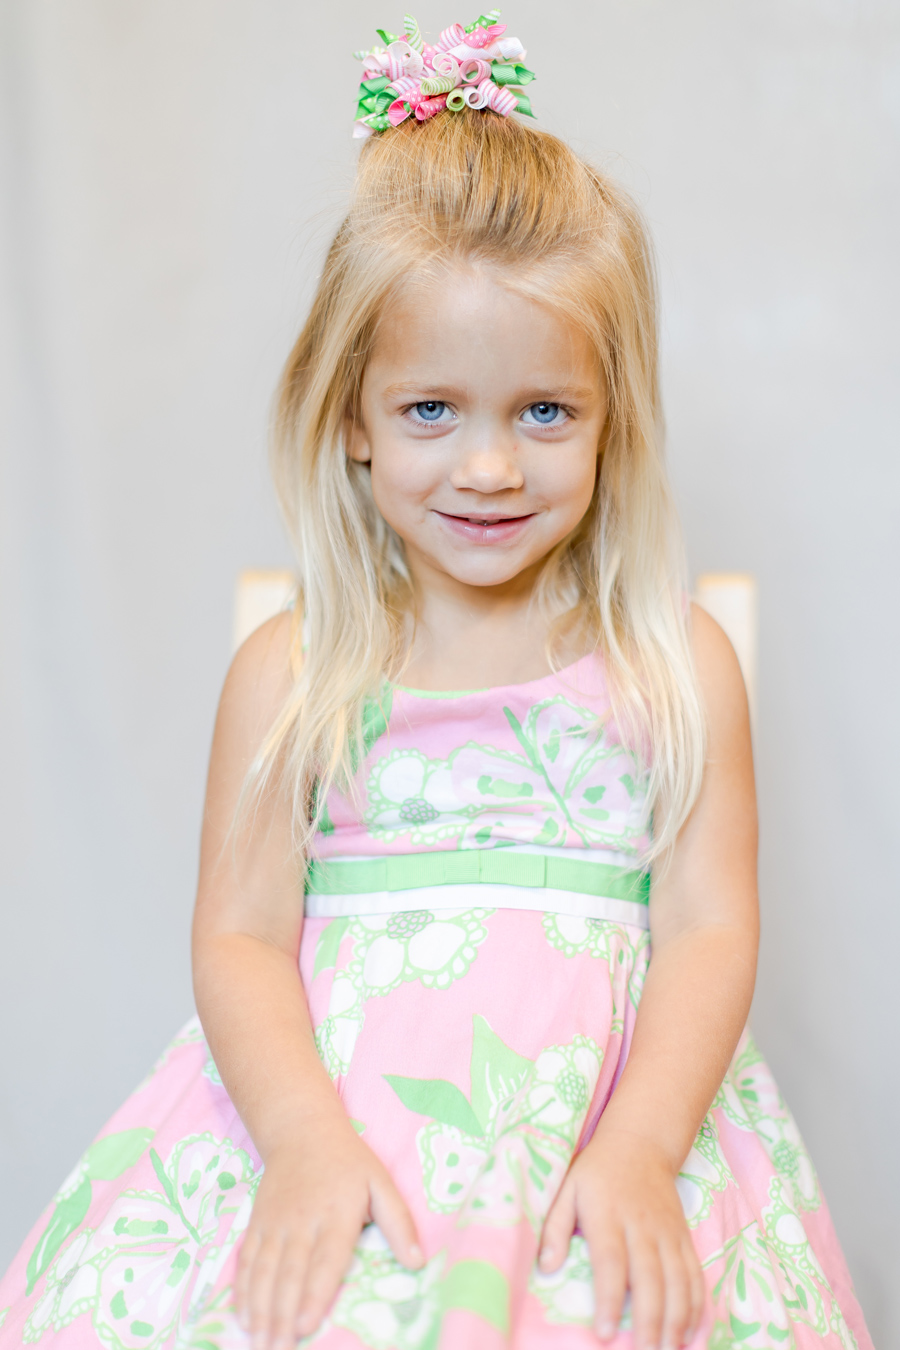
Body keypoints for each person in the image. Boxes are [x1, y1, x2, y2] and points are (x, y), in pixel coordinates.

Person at [0, 15, 873, 1350]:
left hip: (609, 1125)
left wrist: (641, 1147)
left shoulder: (671, 663)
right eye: (430, 411)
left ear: (610, 417)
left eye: (542, 411)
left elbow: (705, 926)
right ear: (349, 411)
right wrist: (299, 1138)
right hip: (340, 1122)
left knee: (616, 1309)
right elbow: (238, 934)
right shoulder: (293, 671)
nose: (489, 468)